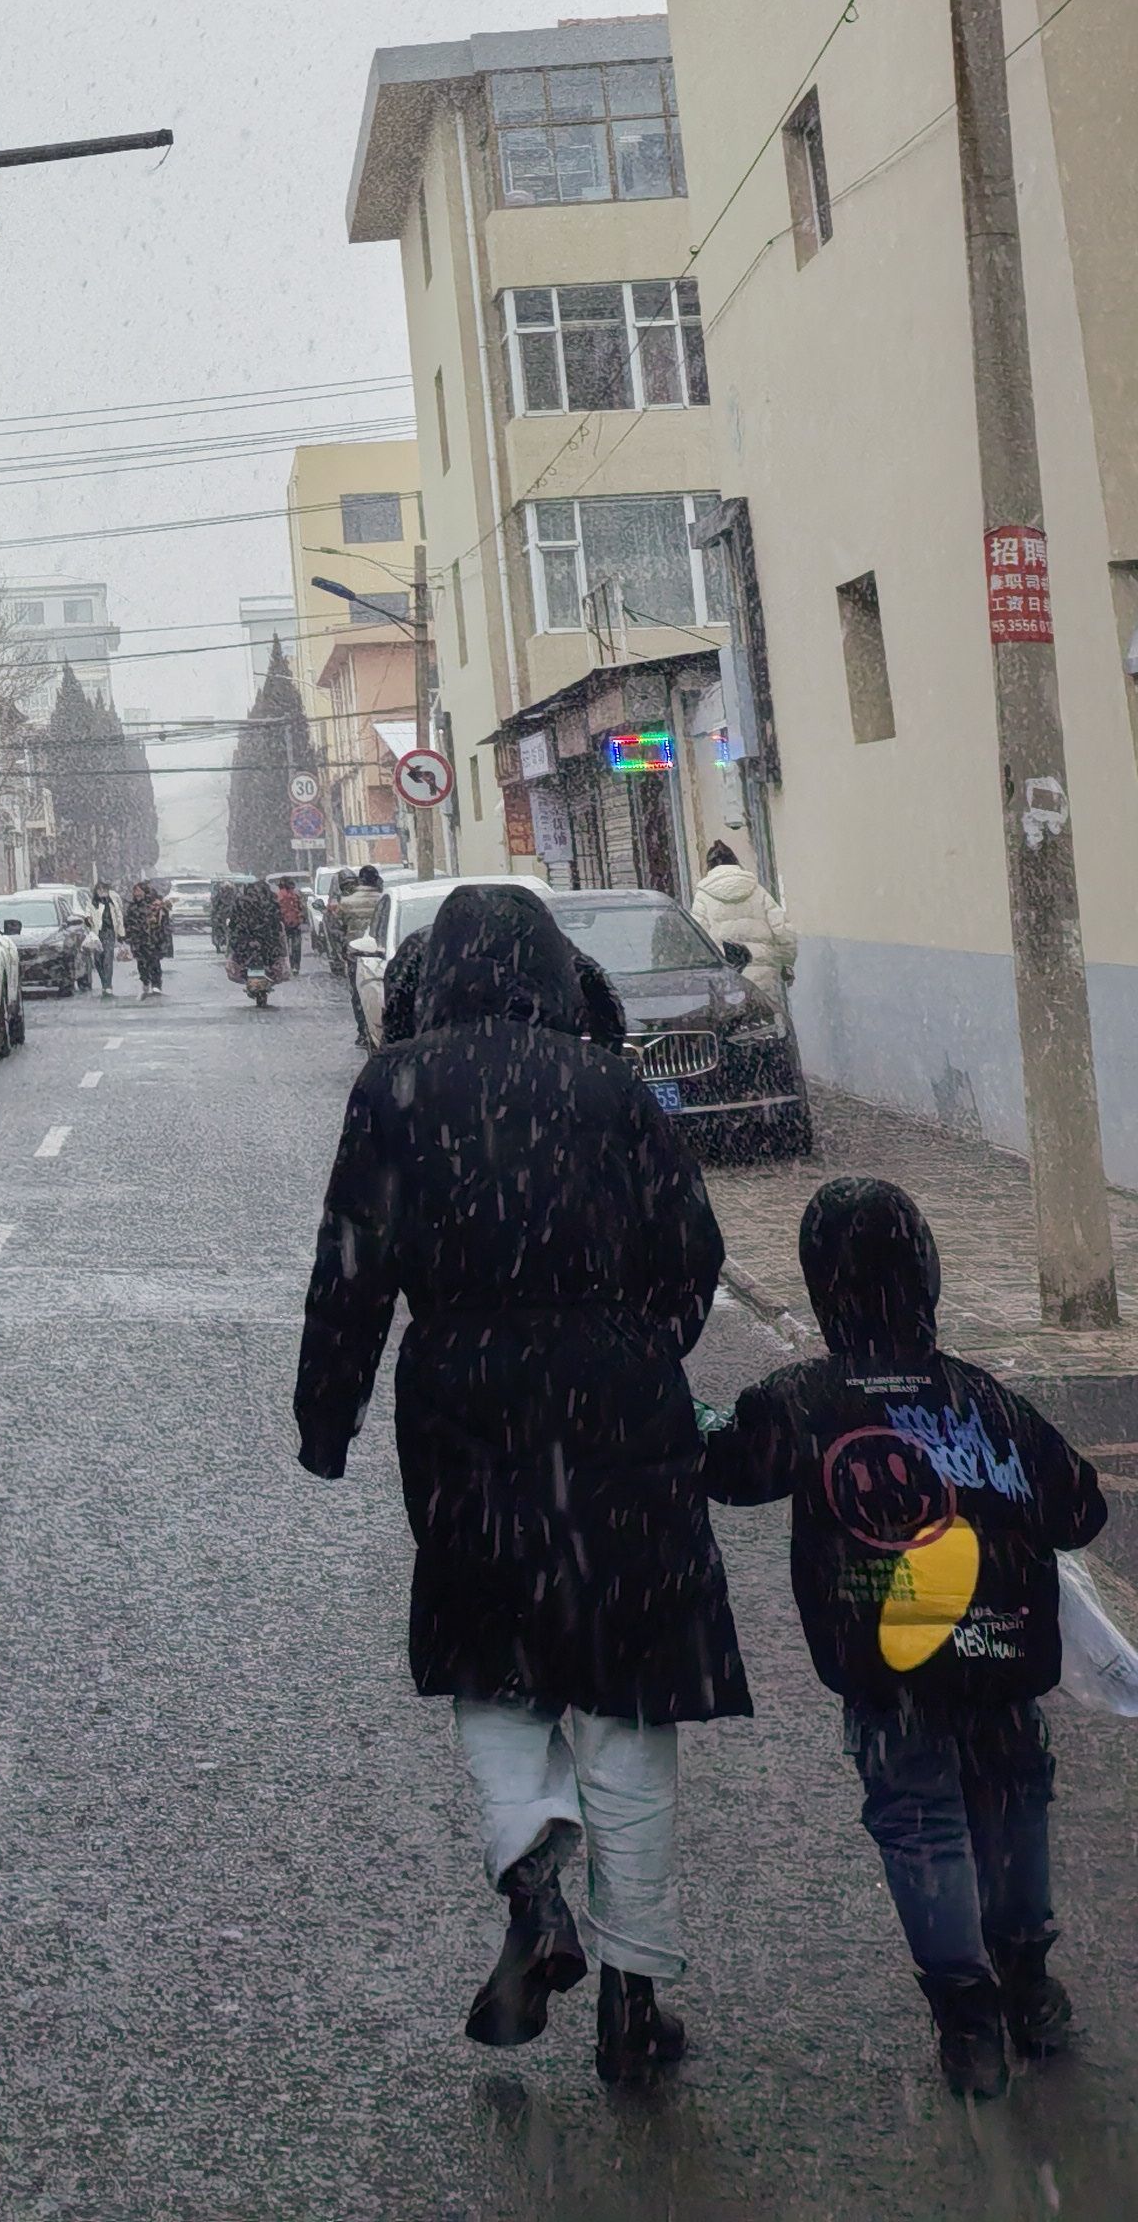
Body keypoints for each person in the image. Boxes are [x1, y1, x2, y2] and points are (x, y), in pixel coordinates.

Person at [295, 882, 747, 2087]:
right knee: (628, 1690)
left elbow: (351, 1268)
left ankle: (534, 1885)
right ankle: (633, 1997)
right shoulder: (610, 1085)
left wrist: (327, 1413)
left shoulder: (394, 1085)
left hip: (465, 1407)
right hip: (618, 1405)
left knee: (494, 1662)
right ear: (553, 970)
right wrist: (638, 1345)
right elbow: (692, 1251)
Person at [702, 1178, 1107, 2099]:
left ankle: (966, 2017)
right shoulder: (985, 1398)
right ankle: (1028, 1980)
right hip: (1002, 1654)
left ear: (821, 1288)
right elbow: (1080, 1509)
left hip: (886, 1666)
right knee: (1013, 1804)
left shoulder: (801, 1399)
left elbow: (728, 1470)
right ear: (928, 1275)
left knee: (920, 1823)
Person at [690, 839, 797, 1018]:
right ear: (735, 861)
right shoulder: (757, 890)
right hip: (764, 972)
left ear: (709, 866)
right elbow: (783, 931)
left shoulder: (703, 897)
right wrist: (786, 963)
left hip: (728, 975)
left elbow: (697, 940)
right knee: (768, 1018)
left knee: (736, 1023)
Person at [224, 873, 284, 996]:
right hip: (266, 940)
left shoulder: (241, 902)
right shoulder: (270, 901)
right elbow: (277, 919)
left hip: (246, 940)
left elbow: (233, 921)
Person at [122, 878, 168, 996]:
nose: (136, 893)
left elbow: (162, 921)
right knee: (141, 963)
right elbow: (127, 922)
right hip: (138, 940)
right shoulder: (132, 907)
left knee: (154, 961)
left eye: (139, 891)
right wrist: (127, 935)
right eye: (135, 891)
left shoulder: (153, 905)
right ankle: (145, 981)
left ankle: (156, 984)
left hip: (152, 939)